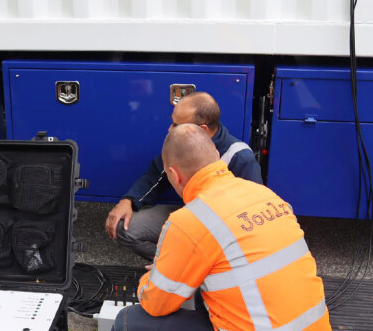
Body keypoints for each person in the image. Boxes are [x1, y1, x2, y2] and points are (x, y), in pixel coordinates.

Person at [111, 124, 331, 331]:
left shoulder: (190, 220)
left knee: (127, 329)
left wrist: (158, 273)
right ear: (216, 157)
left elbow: (156, 304)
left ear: (174, 174)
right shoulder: (263, 195)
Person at [105, 92, 263, 260]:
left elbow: (251, 218)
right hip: (190, 216)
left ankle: (198, 270)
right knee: (124, 228)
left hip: (222, 231)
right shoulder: (181, 142)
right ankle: (173, 267)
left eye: (176, 125)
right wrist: (128, 200)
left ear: (202, 130)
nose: (169, 129)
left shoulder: (239, 157)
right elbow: (155, 176)